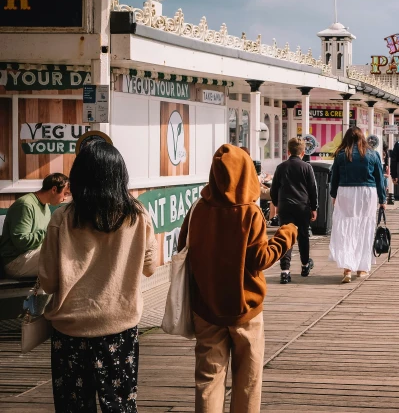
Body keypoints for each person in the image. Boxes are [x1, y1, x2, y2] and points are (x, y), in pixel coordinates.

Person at [177, 145, 297, 412]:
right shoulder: (249, 213)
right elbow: (260, 260)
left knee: (208, 380)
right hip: (246, 310)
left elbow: (182, 246)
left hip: (206, 309)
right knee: (248, 380)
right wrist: (286, 234)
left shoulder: (198, 209)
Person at [38, 142, 156, 411]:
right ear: (119, 176)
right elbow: (150, 267)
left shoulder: (61, 218)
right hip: (120, 328)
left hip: (70, 330)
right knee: (120, 406)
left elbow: (48, 281)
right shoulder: (137, 215)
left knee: (74, 407)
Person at [329, 127, 386, 283]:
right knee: (364, 228)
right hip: (368, 192)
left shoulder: (341, 155)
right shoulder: (373, 154)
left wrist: (334, 195)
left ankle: (347, 269)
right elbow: (380, 178)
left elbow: (335, 177)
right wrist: (383, 199)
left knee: (346, 229)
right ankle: (361, 269)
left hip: (345, 191)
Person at [0, 173, 69, 278]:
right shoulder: (25, 205)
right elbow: (21, 241)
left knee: (67, 252)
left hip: (32, 256)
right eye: (65, 193)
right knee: (63, 257)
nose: (65, 198)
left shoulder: (46, 209)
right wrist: (51, 233)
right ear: (54, 190)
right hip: (16, 262)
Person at [271, 138, 318, 283]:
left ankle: (285, 271)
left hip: (285, 206)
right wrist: (314, 207)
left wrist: (277, 204)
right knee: (303, 236)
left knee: (286, 237)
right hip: (302, 206)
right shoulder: (307, 167)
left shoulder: (281, 167)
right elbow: (312, 189)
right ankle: (305, 265)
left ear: (288, 151)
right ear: (303, 153)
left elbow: (274, 189)